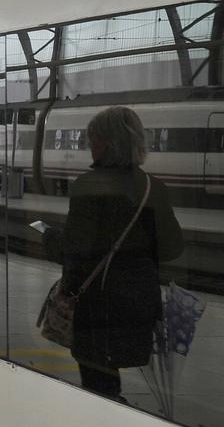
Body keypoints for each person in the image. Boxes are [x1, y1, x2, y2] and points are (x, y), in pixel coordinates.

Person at [52, 106, 182, 400]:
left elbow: (76, 250)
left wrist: (50, 240)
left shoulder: (89, 186)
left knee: (98, 382)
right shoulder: (153, 187)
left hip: (99, 304)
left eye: (93, 139)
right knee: (109, 379)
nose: (89, 146)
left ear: (108, 142)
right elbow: (173, 247)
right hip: (140, 304)